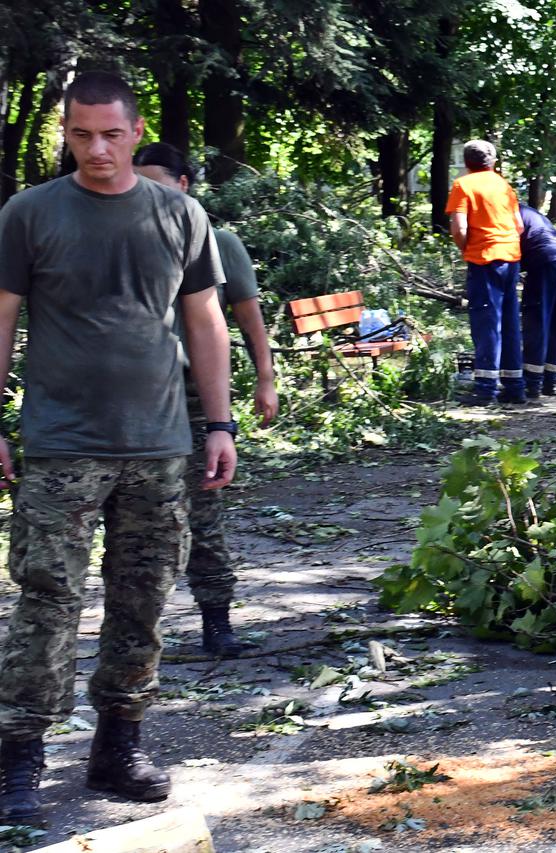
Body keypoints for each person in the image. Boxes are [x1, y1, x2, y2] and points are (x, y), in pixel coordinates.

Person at [0, 72, 235, 825]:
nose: (95, 149)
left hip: (158, 444)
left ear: (136, 133)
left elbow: (203, 321)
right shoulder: (29, 214)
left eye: (110, 134)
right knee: (47, 601)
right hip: (61, 445)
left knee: (142, 601)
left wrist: (220, 424)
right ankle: (20, 753)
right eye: (79, 135)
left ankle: (118, 745)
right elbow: (0, 317)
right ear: (64, 134)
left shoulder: (180, 213)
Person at [134, 142, 279, 657]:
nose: (147, 193)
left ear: (182, 185)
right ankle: (133, 632)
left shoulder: (218, 242)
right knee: (137, 527)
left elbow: (248, 318)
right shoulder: (124, 241)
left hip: (195, 404)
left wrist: (265, 378)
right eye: (139, 181)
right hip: (133, 407)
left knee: (204, 515)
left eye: (157, 182)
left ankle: (217, 621)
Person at [447, 140, 525, 405]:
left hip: (483, 259)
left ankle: (485, 390)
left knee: (486, 321)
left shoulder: (463, 185)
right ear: (493, 161)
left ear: (467, 162)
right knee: (510, 319)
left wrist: (467, 248)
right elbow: (519, 226)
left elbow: (459, 229)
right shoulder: (504, 185)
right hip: (510, 257)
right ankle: (515, 386)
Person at [517, 203, 556, 398]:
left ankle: (532, 383)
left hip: (545, 260)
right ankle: (551, 381)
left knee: (536, 320)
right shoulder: (529, 212)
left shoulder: (506, 211)